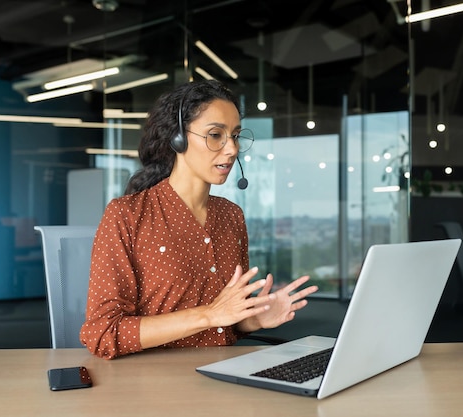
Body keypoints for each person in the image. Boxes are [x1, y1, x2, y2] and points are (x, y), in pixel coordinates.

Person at [80, 80, 318, 359]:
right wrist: (208, 315)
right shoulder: (127, 215)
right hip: (152, 383)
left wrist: (255, 318)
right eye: (216, 135)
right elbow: (103, 334)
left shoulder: (231, 216)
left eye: (235, 135)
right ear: (178, 137)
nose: (232, 149)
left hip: (221, 374)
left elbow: (227, 323)